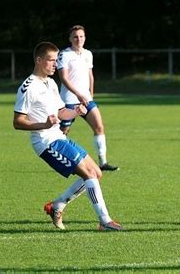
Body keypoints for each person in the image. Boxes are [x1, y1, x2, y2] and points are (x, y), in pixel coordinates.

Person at [13, 41, 122, 231]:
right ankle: (104, 221)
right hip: (46, 143)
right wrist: (43, 124)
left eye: (56, 60)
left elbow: (62, 111)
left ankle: (58, 205)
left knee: (96, 173)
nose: (55, 64)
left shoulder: (51, 83)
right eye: (51, 60)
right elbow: (18, 121)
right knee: (89, 175)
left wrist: (77, 112)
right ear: (39, 60)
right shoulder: (28, 87)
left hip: (58, 138)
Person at [57, 25, 118, 171]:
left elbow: (90, 75)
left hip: (86, 99)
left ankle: (102, 162)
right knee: (63, 132)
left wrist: (91, 94)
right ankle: (59, 160)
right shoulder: (64, 55)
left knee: (99, 126)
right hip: (69, 100)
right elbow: (64, 78)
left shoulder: (87, 54)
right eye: (76, 37)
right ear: (70, 39)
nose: (79, 39)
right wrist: (78, 94)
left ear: (85, 38)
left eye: (81, 36)